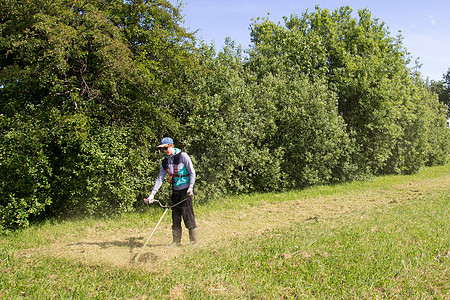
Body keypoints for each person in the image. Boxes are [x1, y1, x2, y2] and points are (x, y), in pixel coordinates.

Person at [144, 137, 198, 246]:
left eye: (166, 148)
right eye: (162, 149)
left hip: (185, 191)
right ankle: (176, 242)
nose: (164, 151)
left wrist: (190, 188)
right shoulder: (165, 162)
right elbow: (160, 178)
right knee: (175, 218)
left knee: (188, 217)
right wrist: (152, 194)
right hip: (175, 192)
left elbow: (192, 172)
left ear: (171, 145)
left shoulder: (183, 156)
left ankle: (194, 243)